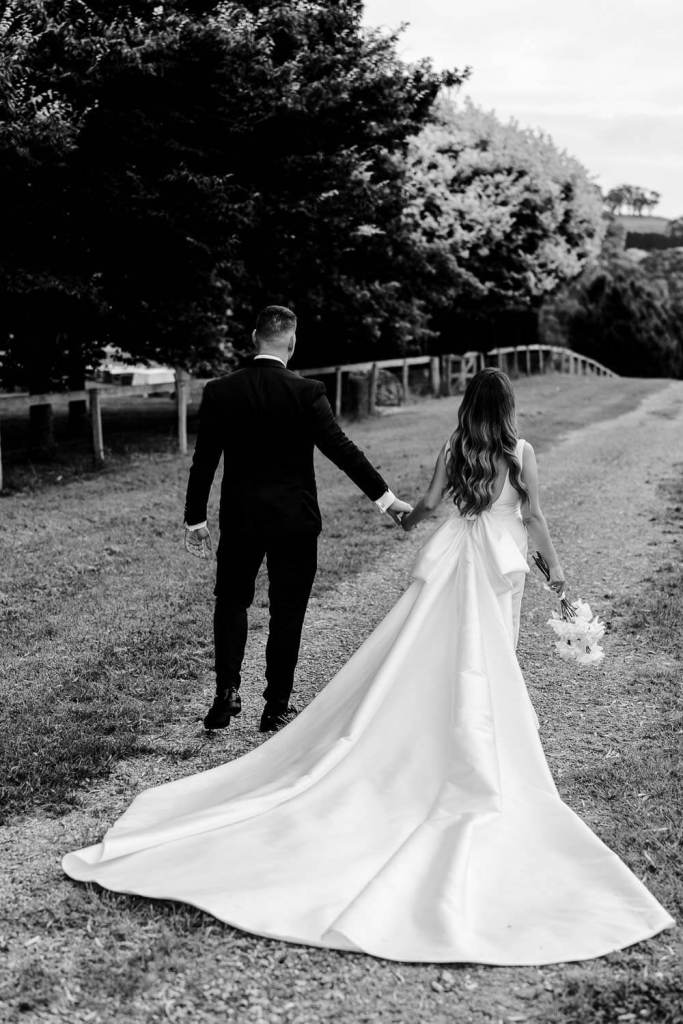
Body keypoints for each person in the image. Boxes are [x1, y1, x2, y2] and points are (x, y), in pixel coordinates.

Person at [63, 368, 674, 965]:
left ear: (468, 406)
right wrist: (559, 577)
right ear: (509, 408)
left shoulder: (455, 445)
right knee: (490, 652)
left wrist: (403, 515)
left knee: (429, 646)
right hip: (498, 566)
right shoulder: (520, 452)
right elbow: (534, 517)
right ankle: (480, 740)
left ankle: (420, 727)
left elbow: (432, 503)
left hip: (454, 556)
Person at [182, 305, 412, 733]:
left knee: (232, 600)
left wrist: (196, 519)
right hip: (295, 523)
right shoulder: (307, 392)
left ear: (254, 338)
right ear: (291, 342)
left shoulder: (221, 391)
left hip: (242, 519)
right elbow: (343, 450)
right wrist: (387, 499)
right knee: (288, 612)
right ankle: (275, 707)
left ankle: (226, 692)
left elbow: (204, 462)